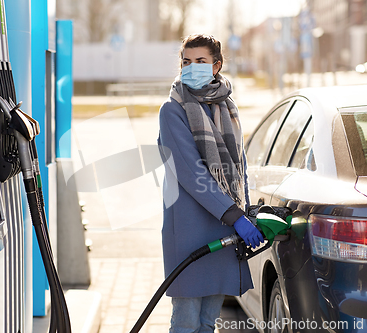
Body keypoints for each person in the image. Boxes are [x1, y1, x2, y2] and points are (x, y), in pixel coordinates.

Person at [157, 34, 265, 333]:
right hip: (190, 228)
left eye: (200, 62)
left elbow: (238, 165)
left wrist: (244, 212)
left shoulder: (227, 108)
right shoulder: (173, 111)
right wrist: (235, 215)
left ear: (216, 66)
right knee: (187, 321)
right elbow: (191, 173)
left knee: (208, 322)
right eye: (186, 62)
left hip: (223, 229)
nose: (191, 67)